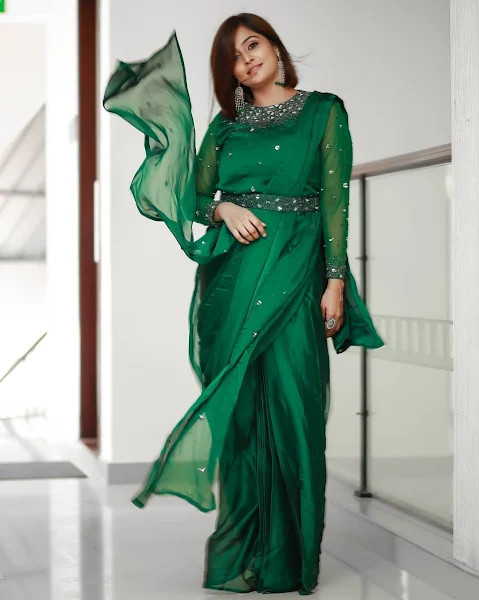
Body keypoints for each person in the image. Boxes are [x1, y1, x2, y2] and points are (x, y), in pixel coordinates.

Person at [103, 13, 383, 596]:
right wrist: (223, 209)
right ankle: (243, 553)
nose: (247, 58)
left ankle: (290, 561)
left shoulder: (324, 112)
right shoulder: (225, 127)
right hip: (232, 281)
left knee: (296, 407)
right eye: (234, 55)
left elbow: (335, 202)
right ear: (227, 71)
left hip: (297, 272)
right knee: (242, 413)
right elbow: (192, 197)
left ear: (275, 47)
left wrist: (335, 281)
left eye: (253, 44)